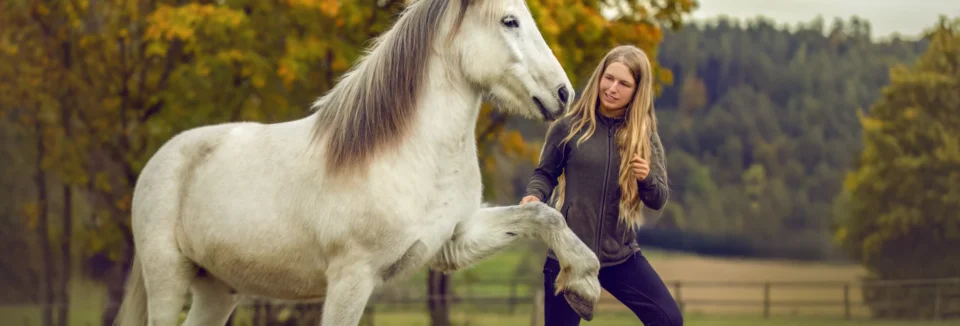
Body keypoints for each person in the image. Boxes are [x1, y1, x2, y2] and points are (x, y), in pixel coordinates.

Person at [520, 45, 682, 326]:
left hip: (619, 256)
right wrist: (534, 195)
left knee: (668, 319)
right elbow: (545, 173)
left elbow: (658, 198)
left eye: (624, 83)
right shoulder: (569, 127)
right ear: (599, 77)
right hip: (569, 253)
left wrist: (645, 179)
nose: (612, 88)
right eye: (609, 78)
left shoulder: (643, 136)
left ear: (636, 90)